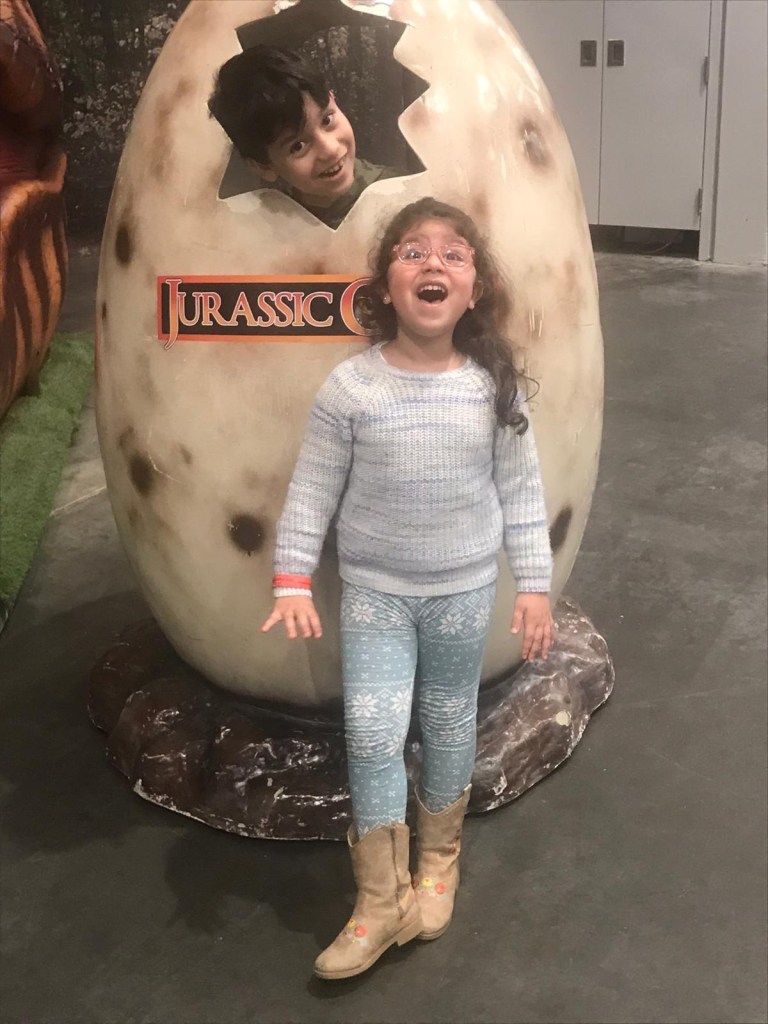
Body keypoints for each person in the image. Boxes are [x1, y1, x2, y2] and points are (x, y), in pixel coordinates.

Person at [262, 197, 554, 979]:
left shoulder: (493, 388)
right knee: (371, 733)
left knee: (449, 720)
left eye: (454, 254)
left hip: (463, 592)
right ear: (386, 286)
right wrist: (291, 580)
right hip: (375, 595)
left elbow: (522, 493)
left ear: (474, 289)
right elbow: (311, 493)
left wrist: (535, 585)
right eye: (413, 251)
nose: (433, 263)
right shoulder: (350, 389)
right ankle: (380, 900)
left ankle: (437, 865)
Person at [208, 44, 398, 229]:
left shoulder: (397, 193)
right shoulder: (274, 228)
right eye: (298, 146)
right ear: (263, 166)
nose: (330, 149)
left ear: (333, 98)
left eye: (326, 120)